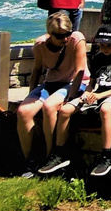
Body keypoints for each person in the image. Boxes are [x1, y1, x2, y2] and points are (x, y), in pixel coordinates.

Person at [44, 22, 111, 178]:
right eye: (101, 45)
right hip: (98, 93)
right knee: (65, 110)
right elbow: (92, 83)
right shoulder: (97, 57)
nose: (104, 49)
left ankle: (106, 155)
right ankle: (60, 152)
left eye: (108, 45)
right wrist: (86, 94)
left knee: (106, 109)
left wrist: (100, 96)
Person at [15, 11, 86, 171]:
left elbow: (79, 71)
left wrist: (71, 96)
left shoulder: (76, 39)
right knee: (24, 111)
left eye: (67, 34)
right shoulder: (40, 45)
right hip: (51, 84)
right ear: (50, 34)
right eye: (60, 36)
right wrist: (31, 94)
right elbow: (37, 71)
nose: (65, 39)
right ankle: (30, 160)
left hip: (74, 83)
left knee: (50, 106)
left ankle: (51, 154)